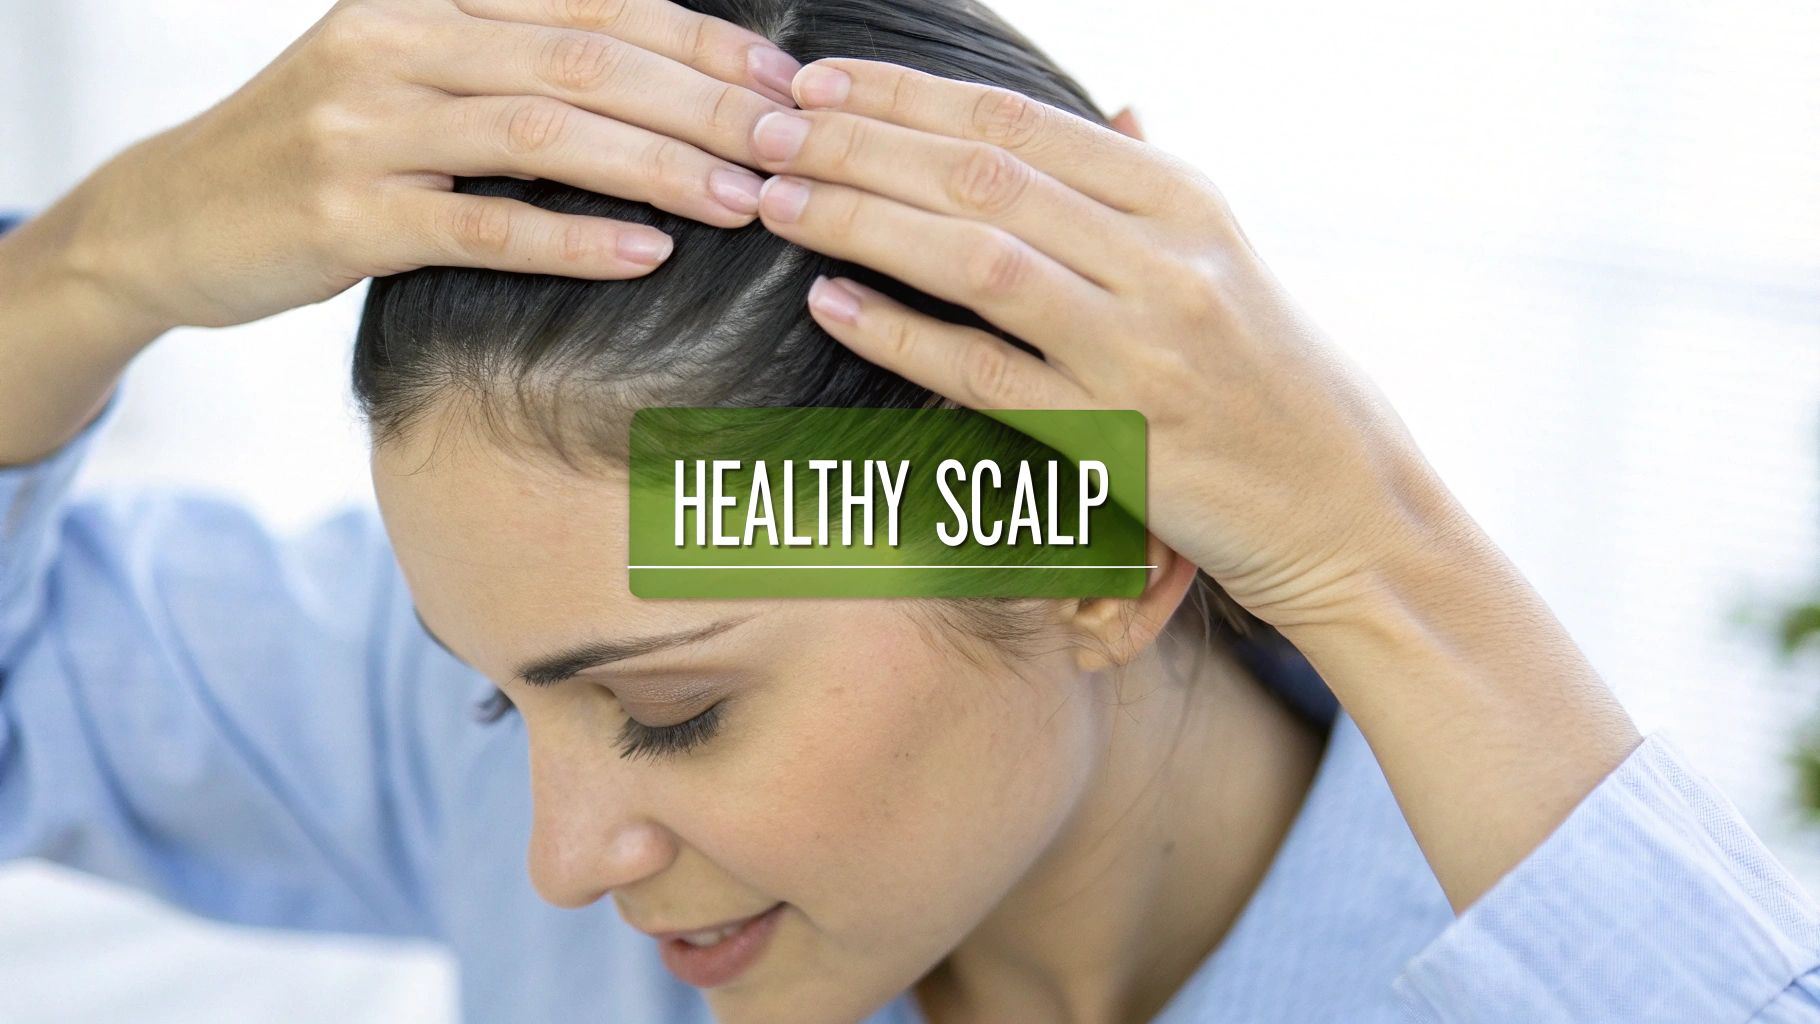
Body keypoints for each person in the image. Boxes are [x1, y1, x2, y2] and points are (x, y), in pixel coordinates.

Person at [2, 0, 1816, 1022]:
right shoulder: (556, 703)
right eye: (499, 694)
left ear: (1107, 553)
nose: (561, 857)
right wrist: (100, 258)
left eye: (674, 714)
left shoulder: (1533, 969)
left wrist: (1383, 551)